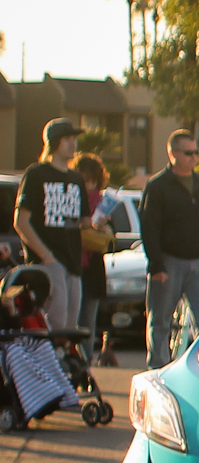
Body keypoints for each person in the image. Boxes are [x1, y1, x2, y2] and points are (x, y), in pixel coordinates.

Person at [140, 130, 199, 370]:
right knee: (160, 320)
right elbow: (149, 227)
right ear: (172, 153)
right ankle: (158, 367)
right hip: (169, 262)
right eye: (188, 153)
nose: (194, 157)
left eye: (196, 152)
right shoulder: (158, 186)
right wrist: (156, 263)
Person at [12, 119, 86, 330]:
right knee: (55, 322)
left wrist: (101, 226)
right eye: (67, 139)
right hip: (47, 262)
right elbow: (21, 221)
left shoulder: (77, 179)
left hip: (73, 261)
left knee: (70, 326)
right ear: (54, 143)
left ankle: (65, 353)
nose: (73, 144)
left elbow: (81, 222)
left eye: (74, 139)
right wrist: (47, 256)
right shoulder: (36, 174)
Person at [73, 153, 114, 363]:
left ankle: (85, 362)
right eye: (85, 180)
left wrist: (104, 227)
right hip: (72, 264)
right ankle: (69, 360)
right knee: (70, 317)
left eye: (93, 181)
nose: (89, 186)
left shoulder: (103, 202)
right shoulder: (70, 199)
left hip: (93, 268)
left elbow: (110, 240)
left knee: (88, 319)